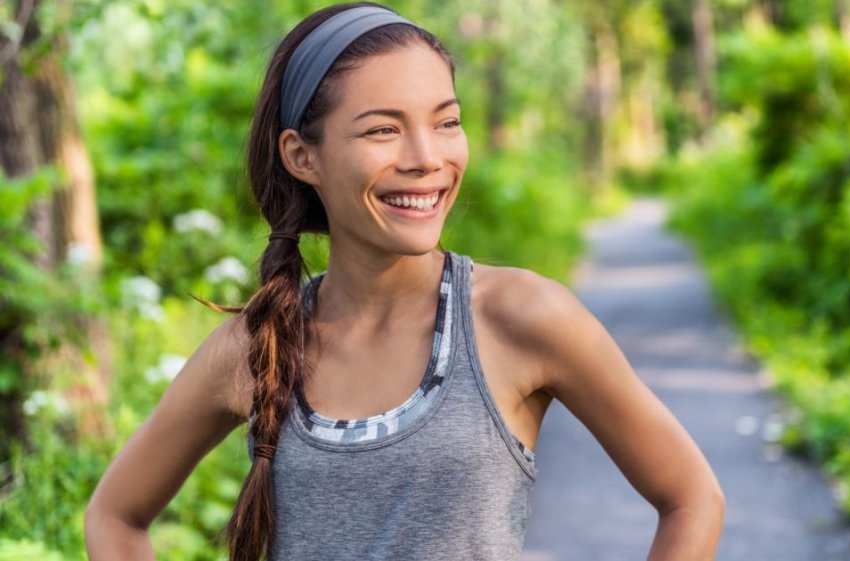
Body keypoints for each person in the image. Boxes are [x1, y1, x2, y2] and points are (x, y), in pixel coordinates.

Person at [84, 3, 725, 560]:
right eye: (383, 130)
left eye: (446, 121)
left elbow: (692, 499)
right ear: (301, 156)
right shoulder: (259, 346)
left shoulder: (521, 317)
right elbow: (114, 516)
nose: (426, 157)